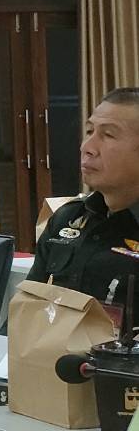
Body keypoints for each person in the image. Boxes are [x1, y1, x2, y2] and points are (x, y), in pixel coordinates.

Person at [28, 87, 139, 320]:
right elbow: (26, 310)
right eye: (89, 131)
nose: (87, 147)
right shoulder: (67, 218)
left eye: (108, 135)